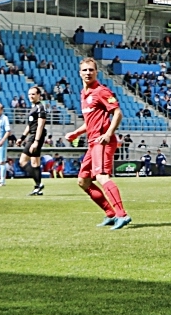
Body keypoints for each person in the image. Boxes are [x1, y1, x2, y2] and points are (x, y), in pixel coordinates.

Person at [65, 57, 131, 229]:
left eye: (91, 70)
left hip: (102, 141)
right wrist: (76, 133)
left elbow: (118, 113)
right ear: (79, 73)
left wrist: (109, 134)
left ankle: (122, 215)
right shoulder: (84, 93)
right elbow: (90, 121)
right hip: (92, 142)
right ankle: (110, 214)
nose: (88, 73)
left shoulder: (101, 91)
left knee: (102, 176)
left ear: (96, 72)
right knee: (83, 181)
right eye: (85, 70)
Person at [20, 85, 49, 196]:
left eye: (33, 94)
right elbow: (30, 125)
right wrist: (22, 137)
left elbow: (40, 125)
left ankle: (39, 183)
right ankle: (38, 188)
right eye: (29, 94)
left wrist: (36, 141)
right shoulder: (33, 108)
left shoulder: (40, 107)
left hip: (36, 137)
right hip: (32, 136)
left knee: (22, 161)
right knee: (34, 163)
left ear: (38, 95)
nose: (31, 96)